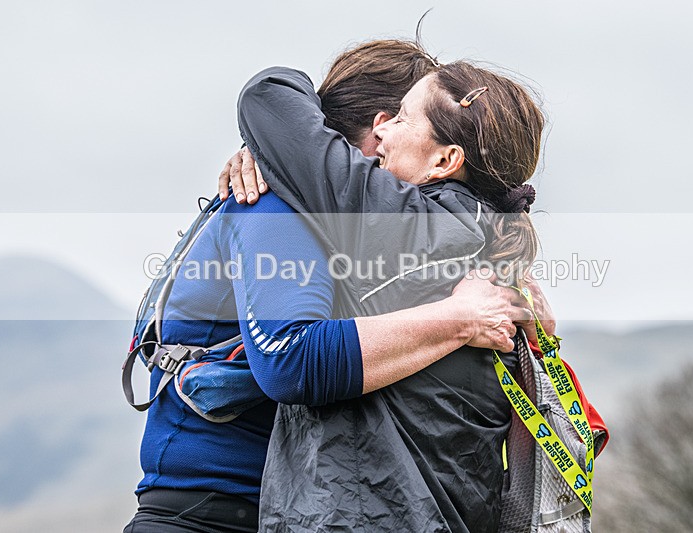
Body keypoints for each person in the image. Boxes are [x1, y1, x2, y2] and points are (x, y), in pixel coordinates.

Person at [123, 40, 535, 533]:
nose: (388, 139)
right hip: (210, 509)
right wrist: (457, 319)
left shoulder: (397, 236)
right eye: (396, 118)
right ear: (372, 126)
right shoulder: (274, 206)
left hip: (283, 506)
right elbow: (291, 360)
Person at [235, 58, 607, 531]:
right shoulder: (488, 242)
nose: (382, 129)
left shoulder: (405, 223)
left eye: (403, 117)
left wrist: (259, 149)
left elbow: (266, 96)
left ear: (444, 161)